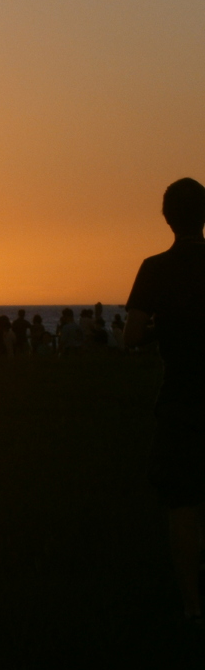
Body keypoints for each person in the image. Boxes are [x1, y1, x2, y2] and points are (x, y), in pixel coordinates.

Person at [124, 177, 205, 624]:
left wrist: (163, 329)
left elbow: (132, 334)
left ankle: (192, 608)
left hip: (181, 395)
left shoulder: (155, 268)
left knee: (182, 501)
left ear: (167, 218)